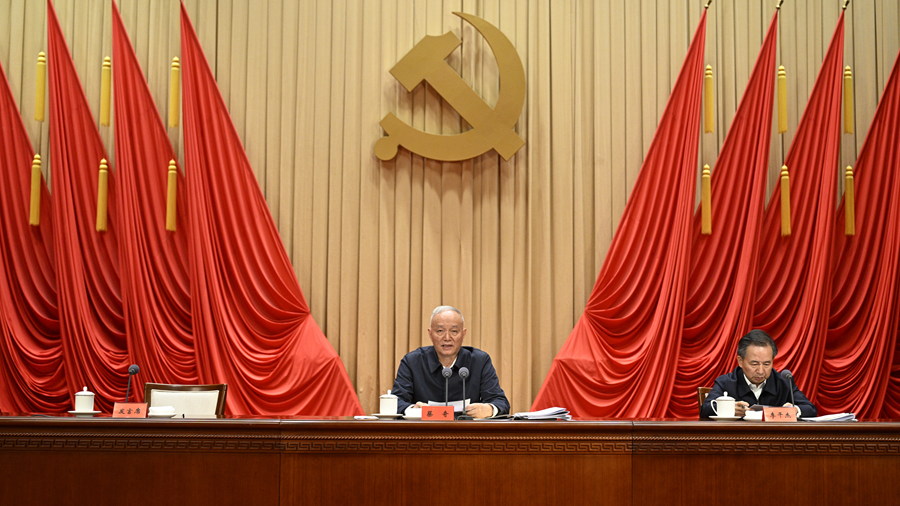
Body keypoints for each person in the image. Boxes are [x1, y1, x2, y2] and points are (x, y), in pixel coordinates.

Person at [390, 306, 509, 418]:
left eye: (454, 331)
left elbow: (500, 402)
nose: (447, 338)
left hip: (468, 435)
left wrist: (489, 409)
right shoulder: (412, 362)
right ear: (430, 334)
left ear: (463, 334)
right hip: (424, 435)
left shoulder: (480, 361)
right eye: (440, 331)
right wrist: (412, 409)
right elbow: (396, 402)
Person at [700, 329, 816, 419]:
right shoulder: (725, 382)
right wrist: (729, 409)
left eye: (766, 364)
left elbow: (810, 409)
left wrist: (794, 410)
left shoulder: (783, 382)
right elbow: (705, 410)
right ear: (740, 361)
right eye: (754, 364)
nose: (761, 371)